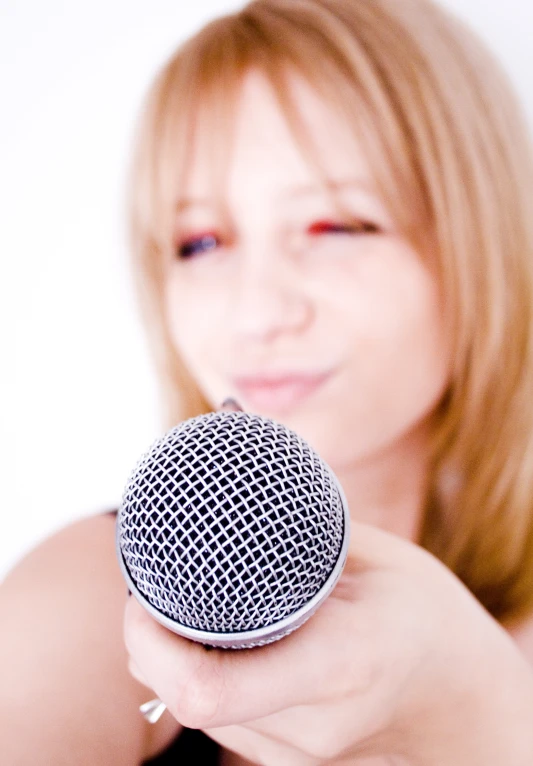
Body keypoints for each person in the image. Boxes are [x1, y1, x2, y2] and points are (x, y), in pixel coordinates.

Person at [3, 0, 533, 763]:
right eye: (201, 241)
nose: (255, 313)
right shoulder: (86, 601)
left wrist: (481, 720)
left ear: (479, 245)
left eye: (332, 226)